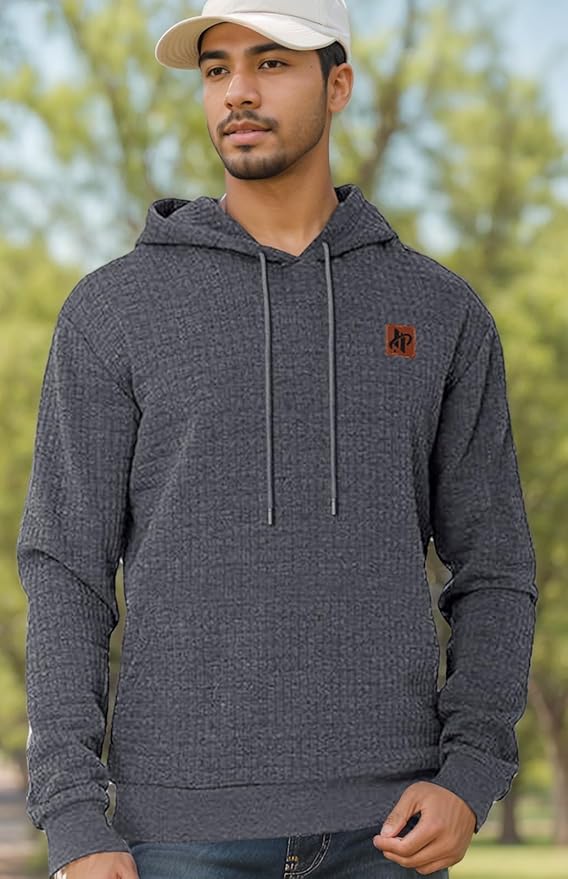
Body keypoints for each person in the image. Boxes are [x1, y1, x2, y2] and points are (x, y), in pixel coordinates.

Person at [16, 1, 539, 877]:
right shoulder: (113, 311)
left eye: (271, 63)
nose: (238, 93)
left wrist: (473, 769)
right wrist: (72, 814)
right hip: (175, 834)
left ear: (338, 86)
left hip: (392, 832)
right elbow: (66, 567)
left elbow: (495, 563)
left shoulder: (440, 311)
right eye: (216, 69)